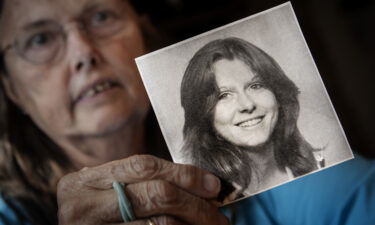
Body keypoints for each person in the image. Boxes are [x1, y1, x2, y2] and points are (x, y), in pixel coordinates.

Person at [0, 0, 374, 225]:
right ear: (12, 89)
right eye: (40, 39)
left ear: (141, 35)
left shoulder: (322, 185)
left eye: (100, 16)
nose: (84, 52)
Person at [180, 37, 322, 199]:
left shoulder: (320, 170)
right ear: (204, 117)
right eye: (224, 95)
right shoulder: (204, 200)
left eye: (256, 86)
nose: (247, 105)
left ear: (279, 96)